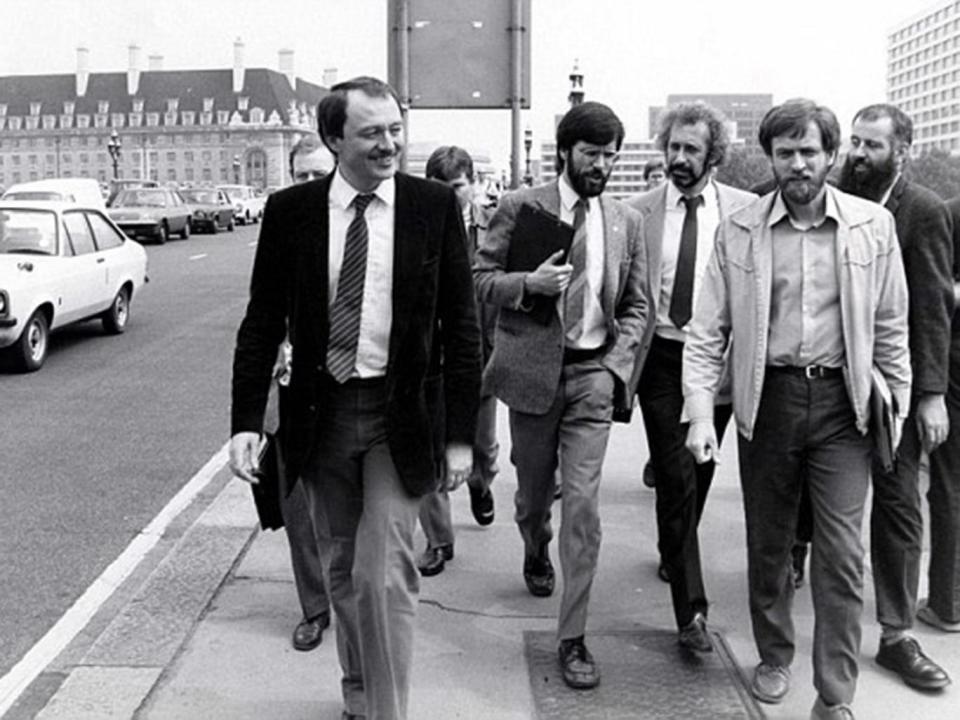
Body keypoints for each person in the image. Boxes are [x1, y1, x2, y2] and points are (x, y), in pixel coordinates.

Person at [229, 76, 482, 720]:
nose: (390, 143)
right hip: (324, 414)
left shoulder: (432, 207)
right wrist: (245, 423)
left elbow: (463, 325)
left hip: (402, 420)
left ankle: (387, 713)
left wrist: (461, 436)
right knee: (342, 566)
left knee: (384, 573)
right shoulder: (292, 214)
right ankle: (358, 694)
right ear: (334, 138)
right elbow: (262, 322)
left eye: (396, 129)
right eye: (372, 132)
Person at [684, 98, 911, 720]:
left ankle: (835, 695)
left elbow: (892, 324)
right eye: (785, 153)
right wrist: (702, 415)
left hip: (845, 406)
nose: (798, 164)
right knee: (770, 543)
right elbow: (708, 330)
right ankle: (775, 655)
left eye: (809, 151)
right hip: (770, 399)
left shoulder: (871, 226)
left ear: (830, 156)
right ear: (772, 159)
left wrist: (901, 404)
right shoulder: (741, 228)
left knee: (841, 554)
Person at [474, 101, 648, 690]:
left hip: (593, 377)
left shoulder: (625, 220)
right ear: (565, 153)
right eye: (592, 153)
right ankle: (533, 544)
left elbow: (637, 305)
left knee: (583, 507)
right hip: (531, 378)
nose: (602, 165)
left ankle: (572, 638)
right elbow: (479, 280)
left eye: (611, 155)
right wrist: (529, 284)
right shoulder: (521, 207)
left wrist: (616, 367)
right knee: (530, 498)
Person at [626, 102, 755, 647]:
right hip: (662, 358)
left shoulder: (747, 211)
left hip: (721, 362)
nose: (678, 158)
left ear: (714, 156)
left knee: (697, 472)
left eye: (691, 150)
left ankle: (672, 547)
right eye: (673, 147)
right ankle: (690, 614)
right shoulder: (638, 212)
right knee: (677, 474)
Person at [838, 103, 953, 691]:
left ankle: (896, 633)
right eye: (854, 142)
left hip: (895, 390)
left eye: (872, 146)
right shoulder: (830, 197)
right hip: (830, 381)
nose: (858, 155)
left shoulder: (923, 212)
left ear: (900, 152)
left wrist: (931, 395)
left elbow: (934, 309)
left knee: (898, 504)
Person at [416, 145, 498, 577]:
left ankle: (482, 485)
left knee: (480, 447)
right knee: (432, 455)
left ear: (473, 185)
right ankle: (438, 540)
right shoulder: (416, 230)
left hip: (481, 357)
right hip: (430, 359)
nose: (449, 195)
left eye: (457, 187)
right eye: (440, 187)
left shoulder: (494, 228)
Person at [270, 133, 338, 653]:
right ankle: (314, 608)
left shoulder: (362, 225)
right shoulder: (283, 224)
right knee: (296, 506)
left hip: (353, 388)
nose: (310, 186)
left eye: (320, 175)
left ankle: (352, 596)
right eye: (301, 177)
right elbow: (260, 312)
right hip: (294, 389)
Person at [921, 195, 960, 634]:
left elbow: (934, 292)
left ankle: (948, 604)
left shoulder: (947, 212)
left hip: (952, 358)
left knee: (949, 483)